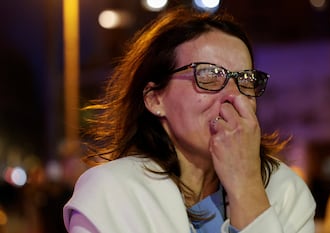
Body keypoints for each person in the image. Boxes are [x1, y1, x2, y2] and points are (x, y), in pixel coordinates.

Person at [63, 6, 316, 233]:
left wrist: (246, 185)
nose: (232, 95)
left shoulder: (285, 190)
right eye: (208, 75)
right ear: (154, 99)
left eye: (245, 79)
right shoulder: (112, 192)